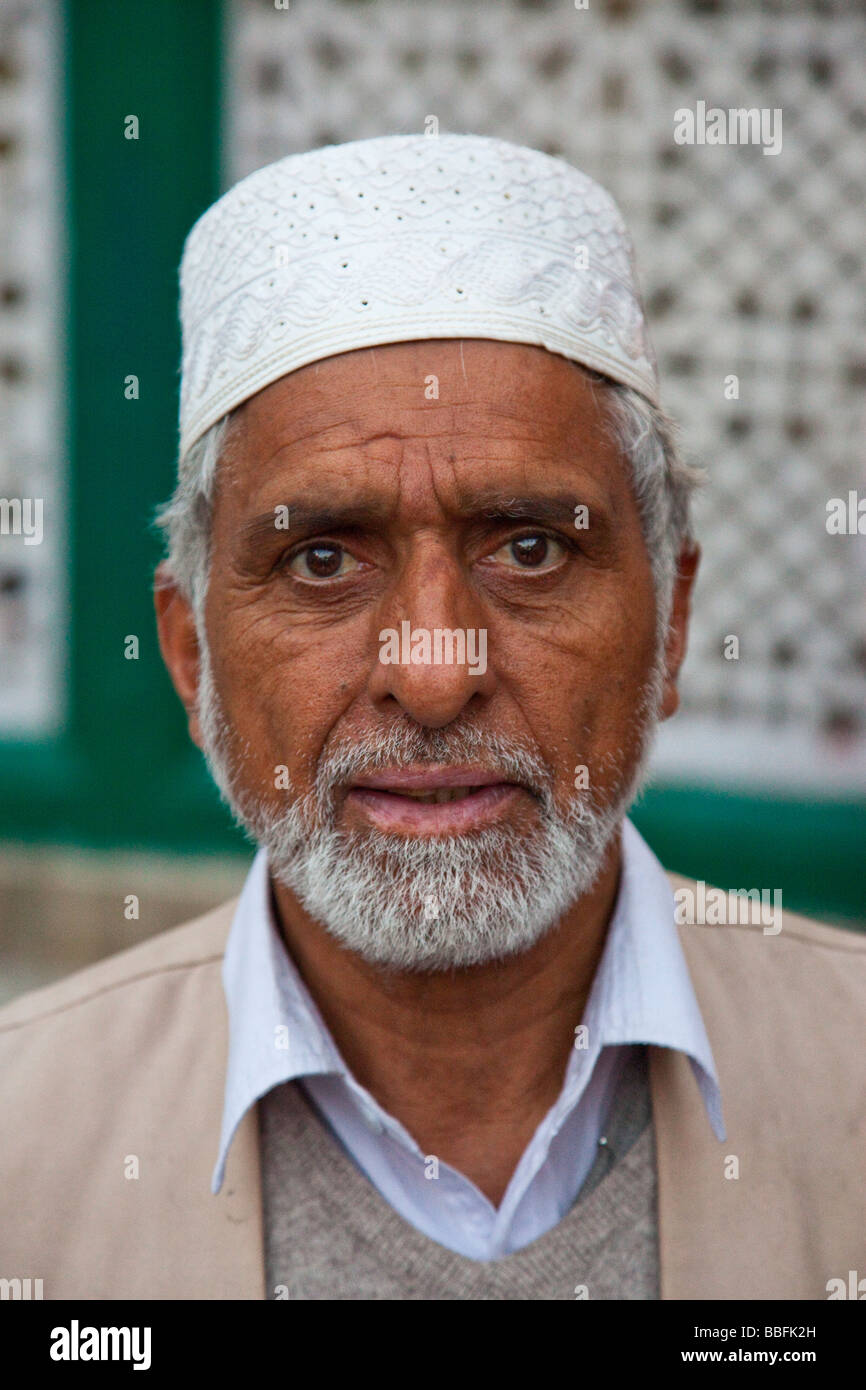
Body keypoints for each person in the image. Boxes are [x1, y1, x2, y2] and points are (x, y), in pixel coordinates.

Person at [0, 133, 862, 1301]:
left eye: (527, 546)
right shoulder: (26, 1141)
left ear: (667, 625)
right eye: (318, 559)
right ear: (193, 653)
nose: (432, 672)